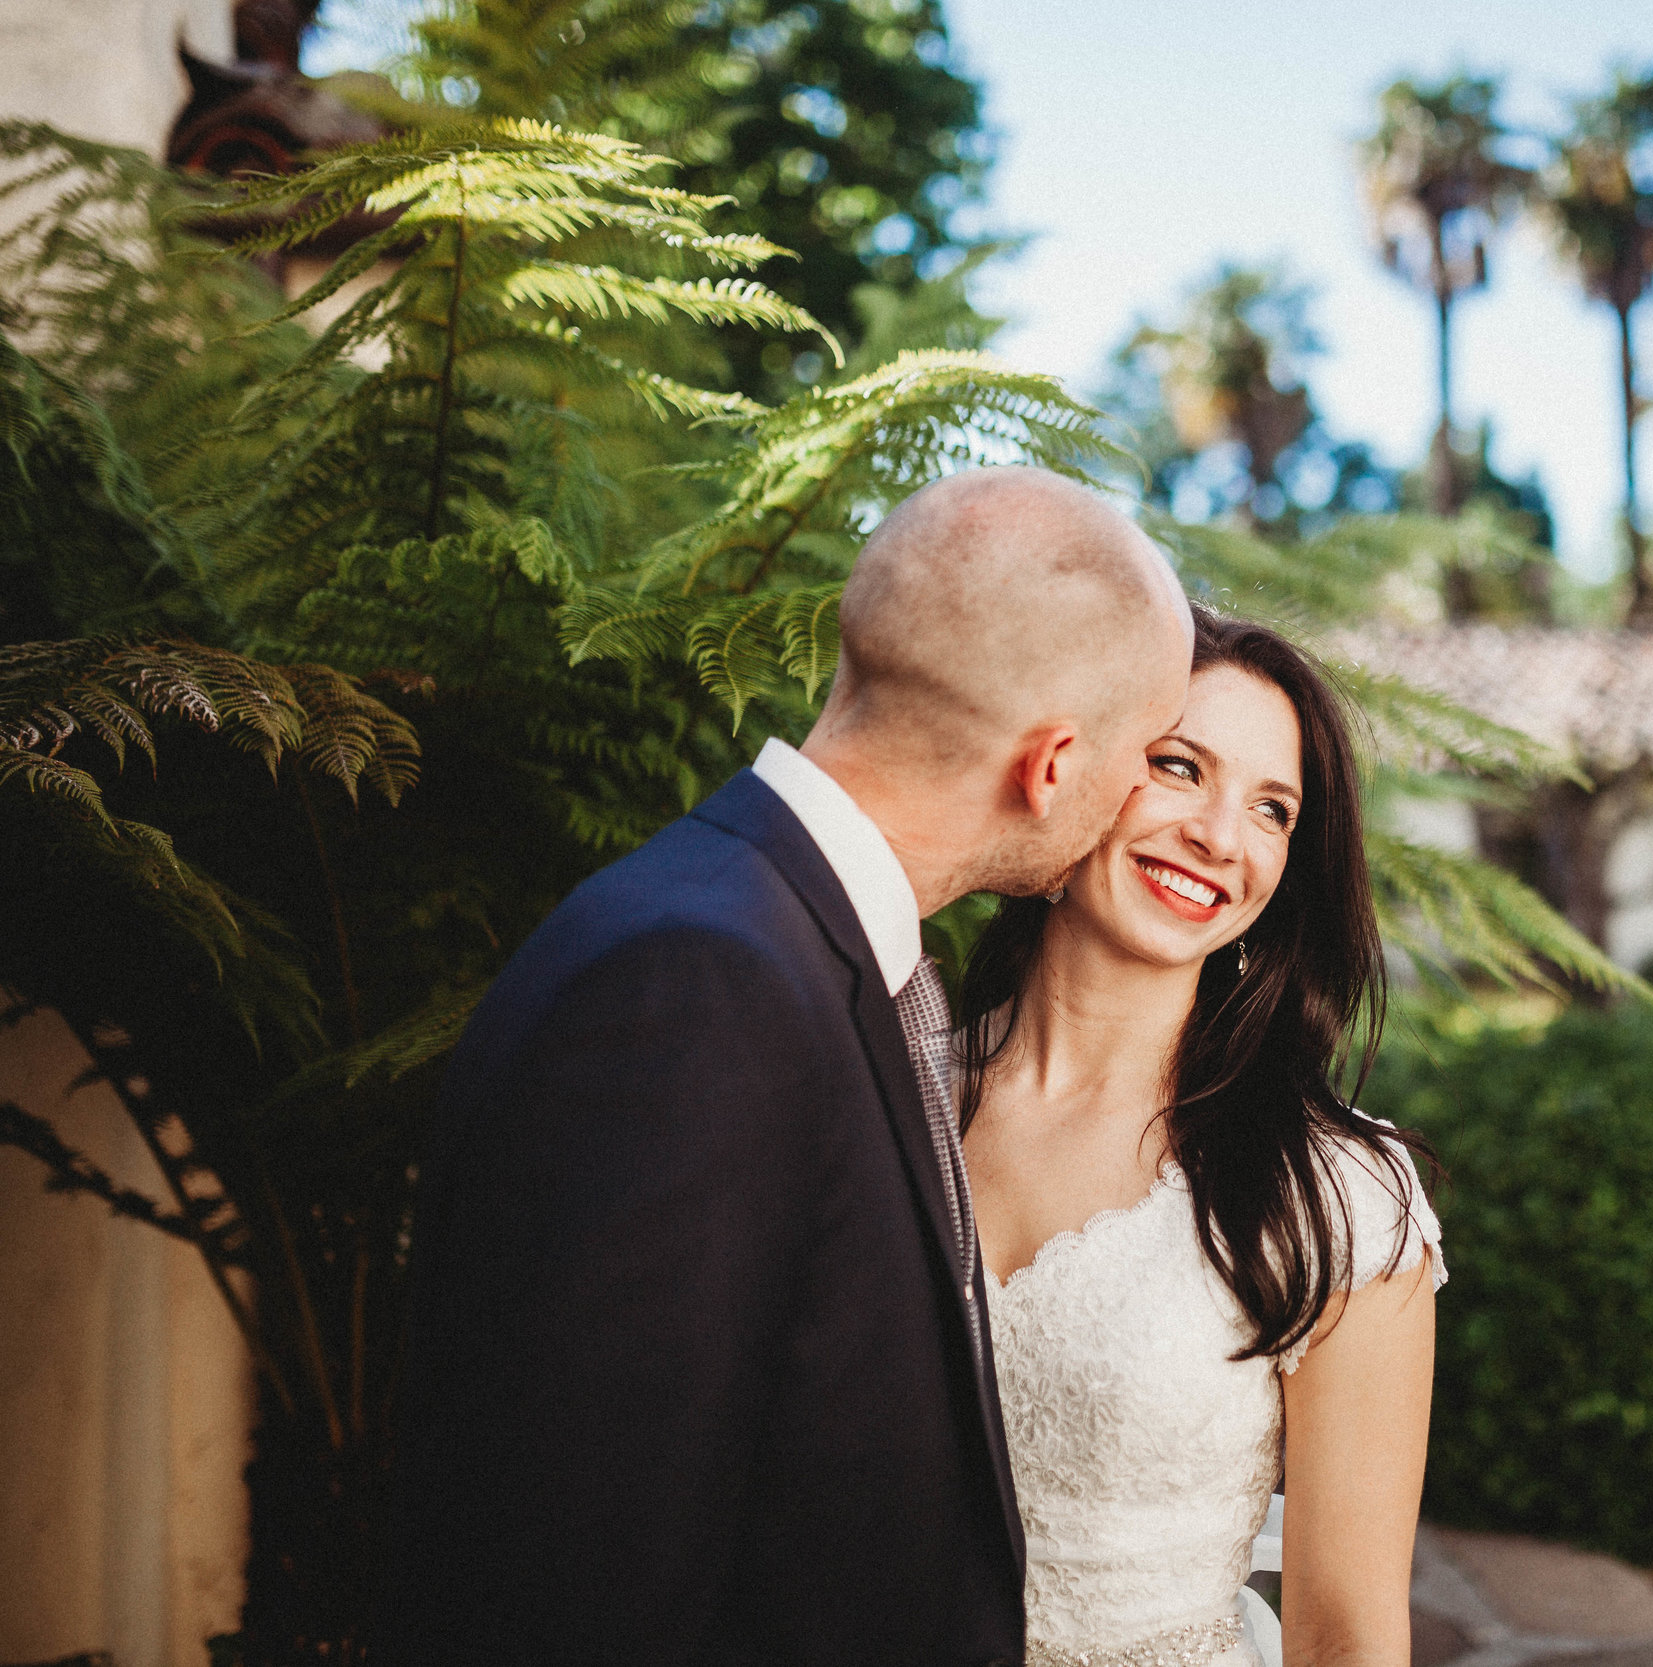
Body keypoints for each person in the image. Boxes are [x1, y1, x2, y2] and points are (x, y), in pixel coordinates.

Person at [384, 466, 1196, 1667]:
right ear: (1053, 763)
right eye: (1147, 755)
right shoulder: (698, 988)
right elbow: (582, 1587)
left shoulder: (774, 943)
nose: (1144, 794)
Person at [957, 607, 1443, 1667]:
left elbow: (1348, 1635)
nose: (1222, 836)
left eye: (1273, 809)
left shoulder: (1340, 1194)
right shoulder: (889, 1091)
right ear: (1068, 766)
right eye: (1179, 766)